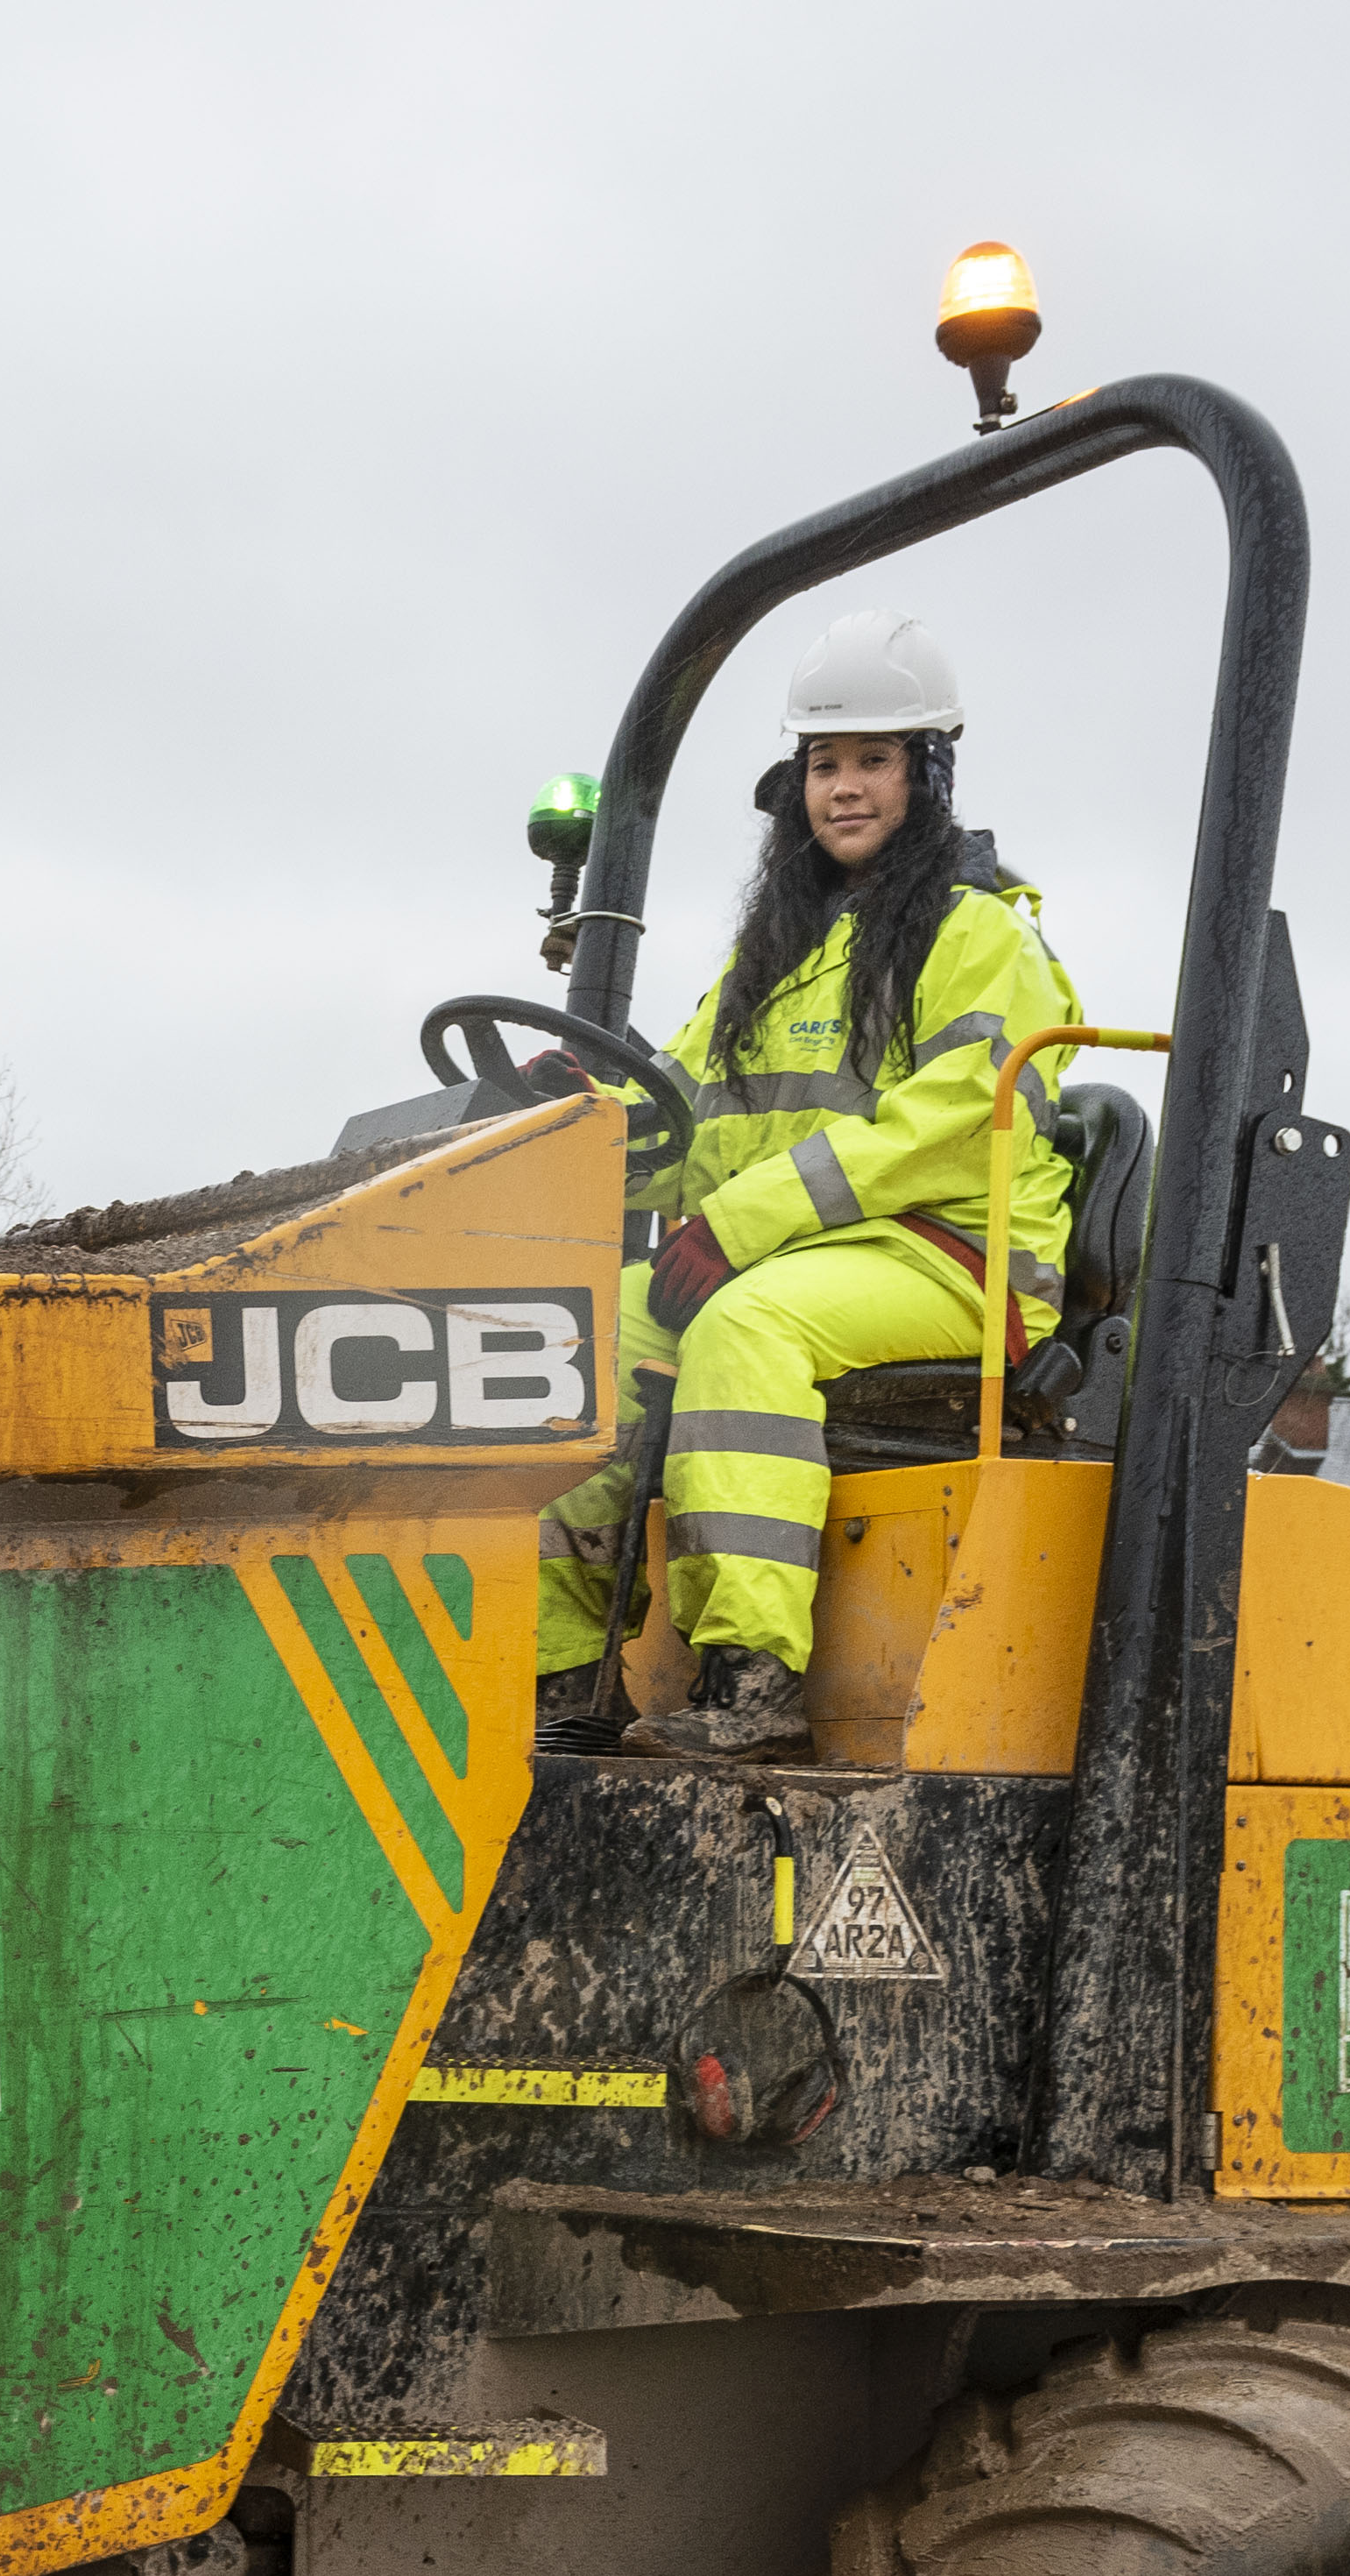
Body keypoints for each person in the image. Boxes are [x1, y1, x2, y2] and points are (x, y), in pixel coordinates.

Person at [541, 611, 1082, 1760]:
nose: (844, 788)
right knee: (574, 1337)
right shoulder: (772, 956)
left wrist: (735, 1227)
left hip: (956, 1263)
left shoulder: (978, 933)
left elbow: (943, 1129)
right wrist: (584, 1115)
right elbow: (685, 1113)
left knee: (742, 1328)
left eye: (872, 761)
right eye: (824, 764)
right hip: (805, 1255)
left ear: (924, 774)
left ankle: (750, 1682)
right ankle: (559, 1675)